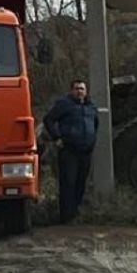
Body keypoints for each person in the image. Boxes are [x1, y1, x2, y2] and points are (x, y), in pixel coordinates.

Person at [41, 79, 99, 224]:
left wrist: (92, 139)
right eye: (77, 88)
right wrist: (57, 137)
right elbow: (49, 119)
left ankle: (76, 213)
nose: (80, 91)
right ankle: (66, 217)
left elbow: (95, 123)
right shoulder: (64, 104)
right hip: (69, 150)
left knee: (81, 182)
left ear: (86, 91)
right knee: (68, 183)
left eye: (82, 89)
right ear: (71, 90)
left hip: (86, 151)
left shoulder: (91, 106)